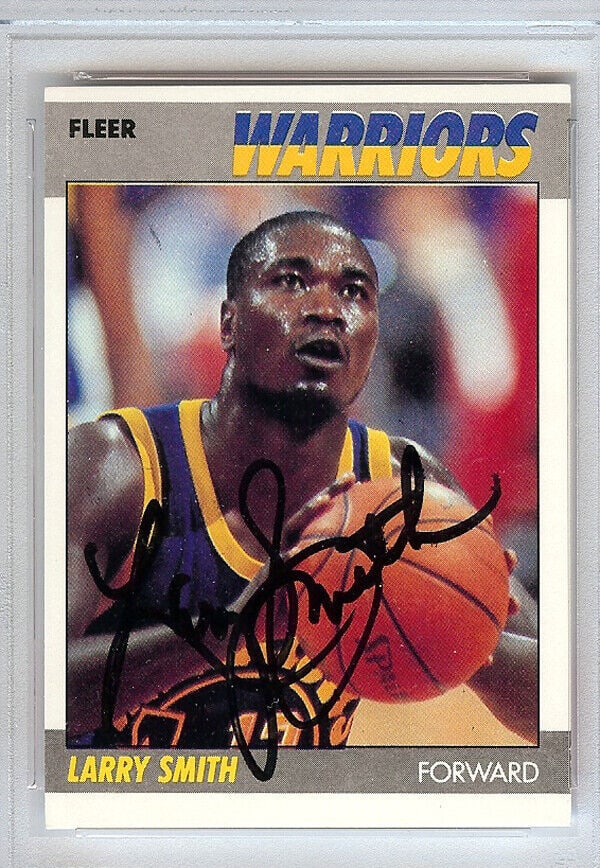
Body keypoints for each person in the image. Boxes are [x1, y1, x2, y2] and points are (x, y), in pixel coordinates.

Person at [68, 210, 537, 751]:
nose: (327, 310)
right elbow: (24, 692)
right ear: (229, 324)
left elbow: (562, 708)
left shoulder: (402, 485)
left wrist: (466, 627)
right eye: (291, 282)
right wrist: (228, 630)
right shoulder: (117, 467)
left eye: (354, 293)